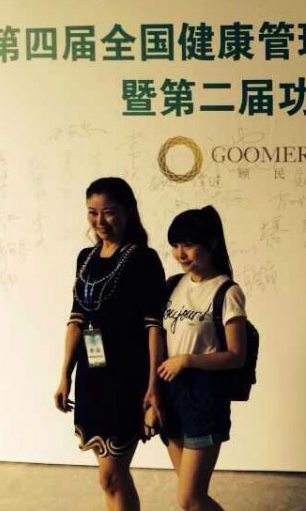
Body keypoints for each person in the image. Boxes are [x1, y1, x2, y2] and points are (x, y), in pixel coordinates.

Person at [54, 177, 166, 511]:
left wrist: (153, 388)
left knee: (112, 475)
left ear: (129, 211)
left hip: (127, 378)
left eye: (109, 212)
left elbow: (154, 328)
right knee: (109, 478)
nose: (100, 221)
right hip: (92, 376)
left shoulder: (144, 259)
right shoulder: (85, 258)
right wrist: (64, 375)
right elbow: (76, 320)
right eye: (92, 212)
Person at [157, 206, 247, 511]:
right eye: (175, 245)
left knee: (190, 498)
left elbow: (236, 355)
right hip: (171, 395)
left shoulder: (226, 291)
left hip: (204, 398)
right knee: (190, 498)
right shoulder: (173, 285)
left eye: (188, 244)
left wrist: (188, 360)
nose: (180, 253)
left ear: (211, 243)